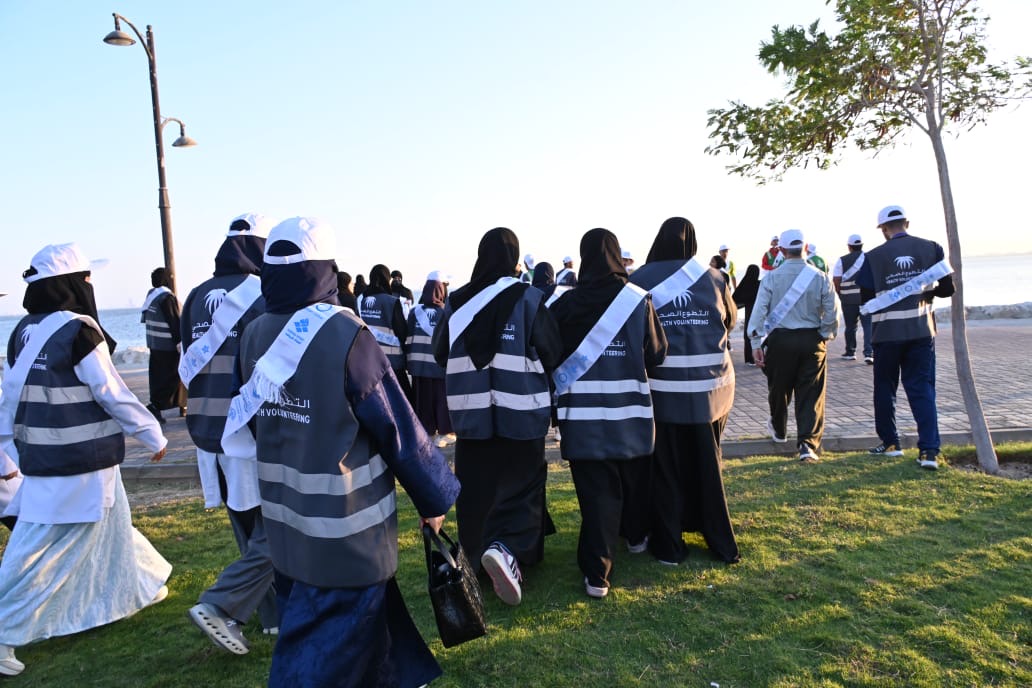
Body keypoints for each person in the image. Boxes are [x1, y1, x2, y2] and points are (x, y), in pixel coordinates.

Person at [220, 217, 460, 688]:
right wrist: (434, 498)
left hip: (287, 525)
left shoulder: (253, 334)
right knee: (324, 654)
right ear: (326, 268)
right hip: (348, 530)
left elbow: (246, 417)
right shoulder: (346, 334)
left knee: (343, 630)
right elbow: (397, 428)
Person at [0, 243, 171, 677]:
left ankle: (142, 585)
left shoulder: (22, 331)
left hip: (43, 455)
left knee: (112, 524)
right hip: (81, 459)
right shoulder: (79, 331)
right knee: (39, 549)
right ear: (73, 284)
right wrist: (151, 433)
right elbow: (111, 392)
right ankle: (3, 629)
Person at [431, 227, 562, 606]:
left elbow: (440, 353)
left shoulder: (457, 302)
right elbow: (551, 350)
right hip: (521, 412)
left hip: (471, 415)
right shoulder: (530, 298)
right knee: (523, 486)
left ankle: (476, 557)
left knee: (475, 491)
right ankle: (509, 551)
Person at [178, 212, 278, 654]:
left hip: (207, 426)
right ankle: (224, 604)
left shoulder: (196, 296)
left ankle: (273, 616)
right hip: (248, 427)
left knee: (245, 522)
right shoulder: (263, 293)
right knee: (277, 524)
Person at [550, 228, 667, 598]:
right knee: (633, 481)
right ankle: (635, 537)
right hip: (630, 415)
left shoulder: (565, 304)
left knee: (597, 494)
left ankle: (597, 574)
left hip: (582, 419)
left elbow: (549, 353)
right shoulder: (638, 300)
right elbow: (657, 354)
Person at [631, 218, 739, 565]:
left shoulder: (640, 279)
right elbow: (730, 321)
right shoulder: (715, 277)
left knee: (665, 470)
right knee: (708, 466)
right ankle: (717, 538)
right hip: (712, 391)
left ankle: (669, 546)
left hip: (662, 391)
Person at [855, 205, 955, 469]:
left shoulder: (872, 257)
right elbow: (948, 289)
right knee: (922, 389)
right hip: (921, 331)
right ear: (906, 223)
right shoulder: (932, 248)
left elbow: (866, 301)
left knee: (885, 388)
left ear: (883, 229)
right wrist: (925, 294)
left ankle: (891, 444)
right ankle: (929, 451)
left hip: (886, 333)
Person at [747, 229, 839, 462]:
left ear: (782, 250)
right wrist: (825, 334)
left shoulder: (771, 278)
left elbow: (759, 312)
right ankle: (807, 444)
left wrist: (755, 342)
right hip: (811, 339)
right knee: (810, 393)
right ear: (805, 248)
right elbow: (832, 311)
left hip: (780, 340)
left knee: (779, 389)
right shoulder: (820, 276)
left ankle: (779, 430)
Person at [405, 272, 455, 448]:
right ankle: (445, 432)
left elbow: (408, 336)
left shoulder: (415, 312)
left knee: (423, 400)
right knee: (442, 399)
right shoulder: (446, 312)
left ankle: (426, 432)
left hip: (418, 365)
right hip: (440, 365)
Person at [359, 264, 412, 401]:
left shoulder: (362, 300)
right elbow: (401, 330)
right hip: (392, 360)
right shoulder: (392, 301)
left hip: (370, 356)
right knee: (402, 398)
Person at [141, 266, 186, 423]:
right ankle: (157, 406)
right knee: (173, 377)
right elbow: (174, 321)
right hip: (168, 347)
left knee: (158, 378)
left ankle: (175, 405)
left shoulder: (151, 296)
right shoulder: (166, 297)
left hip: (155, 344)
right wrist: (180, 342)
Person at [832, 234, 873, 363]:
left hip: (848, 299)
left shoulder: (842, 260)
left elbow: (836, 280)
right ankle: (869, 353)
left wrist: (841, 294)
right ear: (862, 245)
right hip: (867, 298)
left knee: (850, 326)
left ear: (849, 246)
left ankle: (850, 352)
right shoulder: (870, 258)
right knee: (868, 326)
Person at [733, 265, 761, 366]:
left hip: (749, 312)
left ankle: (749, 359)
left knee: (748, 334)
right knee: (757, 335)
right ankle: (759, 357)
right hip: (759, 313)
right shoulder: (760, 284)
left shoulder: (745, 284)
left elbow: (735, 299)